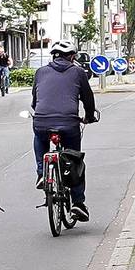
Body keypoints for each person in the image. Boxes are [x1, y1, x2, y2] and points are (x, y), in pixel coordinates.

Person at [30, 41, 99, 221]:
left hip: (42, 121)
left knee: (39, 137)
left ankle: (42, 173)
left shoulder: (40, 72)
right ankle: (78, 203)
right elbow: (87, 98)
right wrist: (89, 116)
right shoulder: (78, 72)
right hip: (69, 123)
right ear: (72, 56)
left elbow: (34, 100)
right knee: (74, 158)